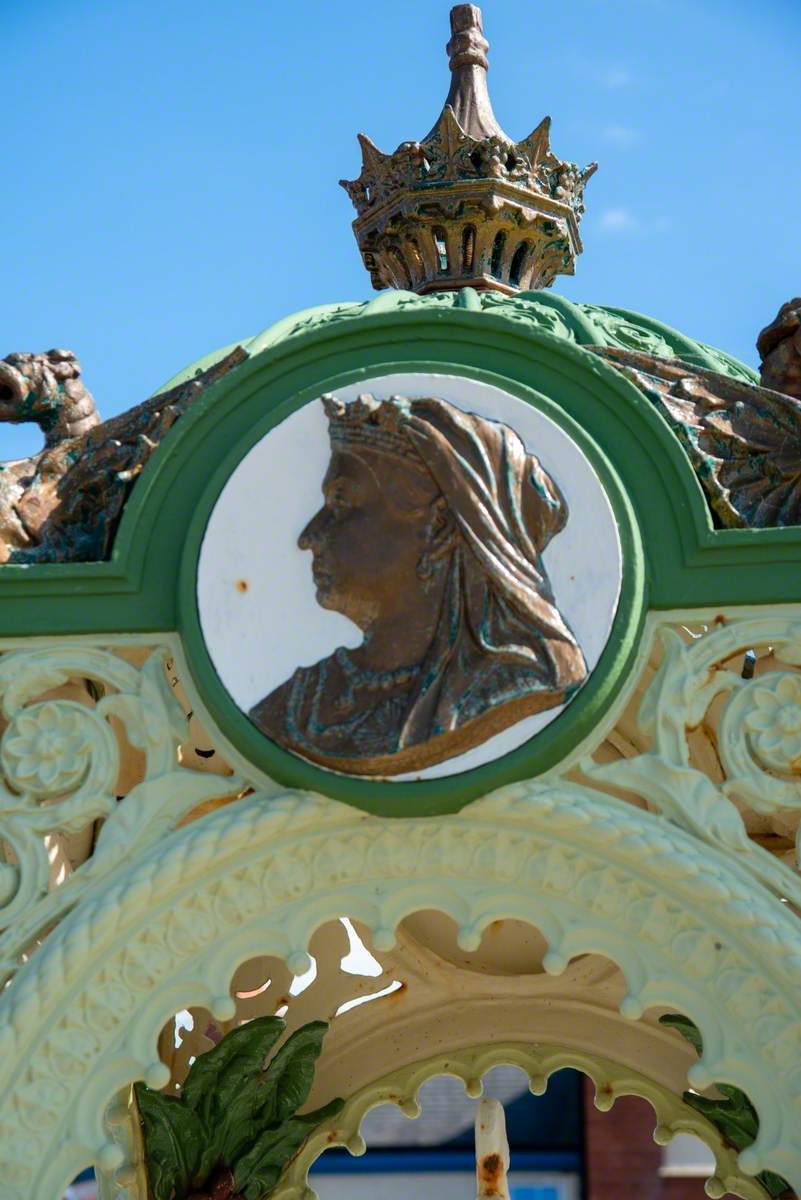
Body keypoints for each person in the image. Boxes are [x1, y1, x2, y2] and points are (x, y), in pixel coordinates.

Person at [249, 392, 587, 775]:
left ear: (439, 527)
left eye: (340, 504)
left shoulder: (518, 684)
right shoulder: (298, 707)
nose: (309, 536)